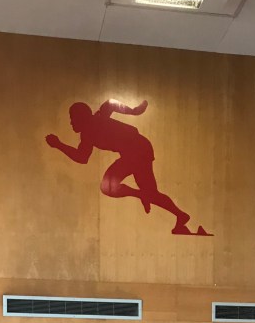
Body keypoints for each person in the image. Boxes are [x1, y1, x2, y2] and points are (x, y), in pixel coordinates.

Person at [45, 98, 195, 233]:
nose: (71, 123)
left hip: (137, 149)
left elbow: (110, 104)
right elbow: (82, 157)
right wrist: (59, 145)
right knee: (151, 193)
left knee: (108, 187)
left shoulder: (98, 119)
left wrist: (135, 111)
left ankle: (144, 195)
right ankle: (180, 216)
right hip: (136, 151)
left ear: (82, 118)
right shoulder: (87, 136)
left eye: (72, 119)